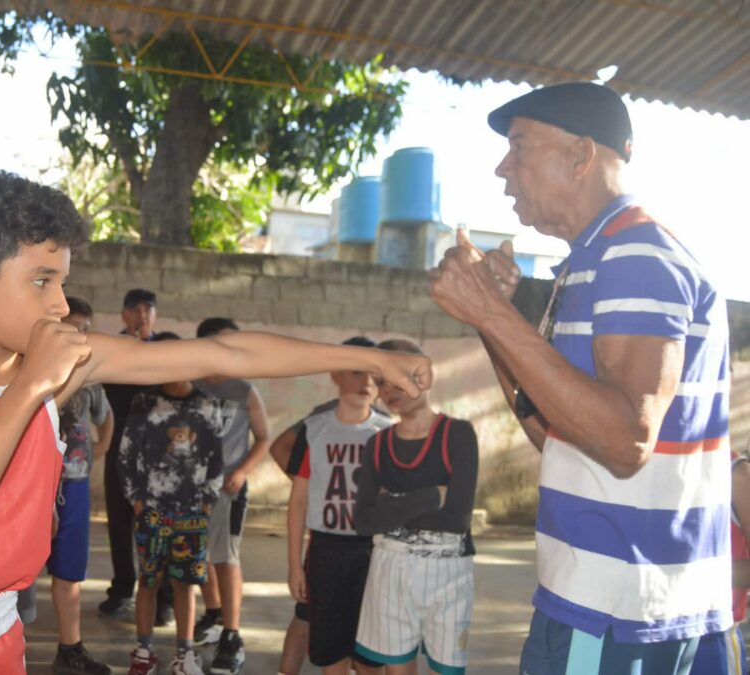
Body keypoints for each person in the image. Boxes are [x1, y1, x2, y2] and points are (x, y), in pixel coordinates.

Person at [0, 170, 433, 674]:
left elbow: (227, 354)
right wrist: (33, 385)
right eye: (42, 281)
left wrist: (369, 356)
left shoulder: (61, 362)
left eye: (62, 281)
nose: (61, 304)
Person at [429, 82, 731, 674]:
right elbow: (556, 431)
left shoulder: (635, 255)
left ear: (581, 155)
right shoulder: (591, 262)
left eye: (518, 147)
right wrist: (494, 320)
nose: (502, 169)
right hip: (599, 606)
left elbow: (625, 440)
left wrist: (491, 311)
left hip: (623, 616)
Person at [351, 339, 479, 675]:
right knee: (397, 667)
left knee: (447, 669)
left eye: (398, 378)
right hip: (389, 569)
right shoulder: (377, 445)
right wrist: (434, 495)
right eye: (381, 382)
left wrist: (390, 505)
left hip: (449, 571)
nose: (389, 389)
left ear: (422, 377)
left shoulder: (458, 434)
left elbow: (456, 519)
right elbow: (363, 521)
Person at [285, 337, 394, 675]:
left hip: (373, 551)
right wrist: (294, 565)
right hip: (325, 551)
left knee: (369, 653)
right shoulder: (315, 430)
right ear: (335, 374)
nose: (366, 383)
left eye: (374, 376)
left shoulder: (388, 434)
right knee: (330, 651)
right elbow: (298, 501)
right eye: (357, 372)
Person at [118, 331, 224, 675]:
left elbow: (216, 459)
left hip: (192, 513)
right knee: (148, 581)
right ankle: (144, 653)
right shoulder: (143, 402)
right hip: (151, 512)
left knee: (185, 583)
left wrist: (206, 503)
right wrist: (137, 502)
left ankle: (185, 653)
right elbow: (126, 455)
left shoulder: (207, 404)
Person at [191, 317, 271, 675]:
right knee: (200, 553)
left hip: (228, 488)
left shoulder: (244, 389)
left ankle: (232, 635)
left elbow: (265, 437)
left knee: (227, 557)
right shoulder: (189, 384)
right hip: (192, 488)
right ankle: (213, 612)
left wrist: (241, 472)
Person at [46, 295, 114, 675]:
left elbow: (106, 419)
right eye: (74, 326)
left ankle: (69, 648)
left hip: (74, 484)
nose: (80, 335)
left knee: (69, 571)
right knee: (15, 570)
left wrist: (99, 450)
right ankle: (4, 646)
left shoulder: (90, 378)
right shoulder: (28, 369)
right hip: (35, 485)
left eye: (86, 329)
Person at [100, 288, 162, 621]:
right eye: (135, 309)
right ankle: (123, 587)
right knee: (120, 521)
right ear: (124, 315)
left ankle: (162, 596)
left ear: (155, 315)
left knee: (158, 523)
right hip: (120, 445)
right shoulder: (113, 349)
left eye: (148, 309)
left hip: (159, 451)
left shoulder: (168, 348)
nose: (142, 316)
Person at [689, 437, 750, 674]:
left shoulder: (736, 474)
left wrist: (689, 575)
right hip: (657, 631)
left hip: (714, 634)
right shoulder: (650, 466)